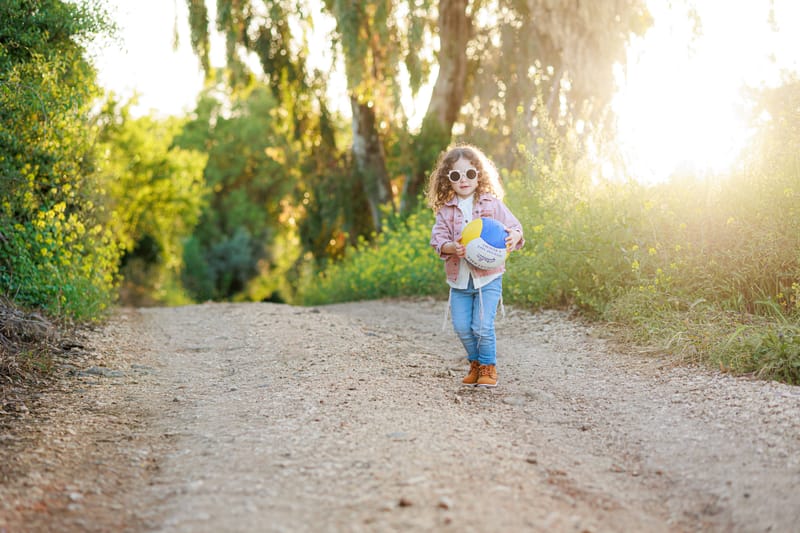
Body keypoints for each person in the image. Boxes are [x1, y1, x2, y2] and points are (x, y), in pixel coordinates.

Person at [427, 143, 524, 388]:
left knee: (482, 325)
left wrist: (513, 236)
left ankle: (488, 367)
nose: (463, 180)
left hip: (488, 278)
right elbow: (437, 240)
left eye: (469, 173)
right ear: (447, 179)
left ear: (478, 175)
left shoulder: (491, 204)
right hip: (460, 280)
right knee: (462, 327)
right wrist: (452, 247)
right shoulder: (446, 211)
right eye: (456, 175)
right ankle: (475, 363)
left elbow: (515, 227)